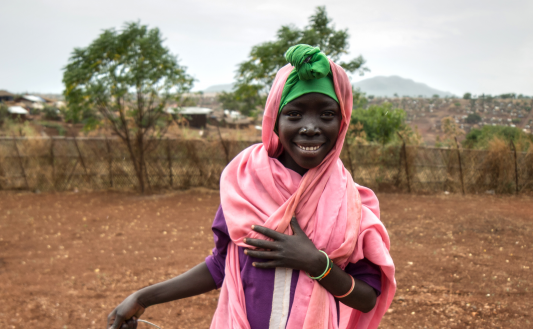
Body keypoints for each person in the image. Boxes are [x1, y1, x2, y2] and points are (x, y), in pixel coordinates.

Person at [108, 44, 396, 329]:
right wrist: (143, 297)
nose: (310, 127)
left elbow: (367, 297)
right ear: (274, 119)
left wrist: (317, 264)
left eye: (327, 115)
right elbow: (223, 265)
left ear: (342, 122)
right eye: (294, 114)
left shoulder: (352, 205)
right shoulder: (244, 185)